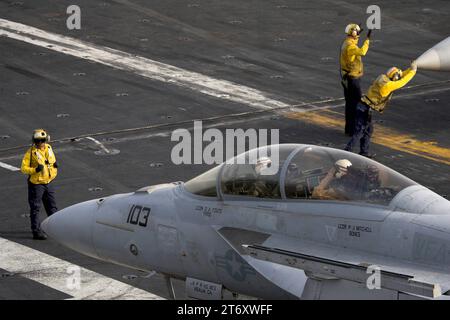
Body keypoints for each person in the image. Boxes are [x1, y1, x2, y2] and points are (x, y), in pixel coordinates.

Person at [345, 61, 417, 157]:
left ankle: (364, 152)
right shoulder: (387, 86)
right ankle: (347, 151)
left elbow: (400, 76)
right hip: (365, 109)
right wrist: (413, 71)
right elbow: (401, 82)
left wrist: (410, 69)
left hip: (364, 107)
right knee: (360, 131)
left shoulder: (383, 77)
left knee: (367, 131)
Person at [21, 129, 59, 240]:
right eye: (38, 141)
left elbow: (51, 160)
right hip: (37, 184)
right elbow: (23, 168)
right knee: (35, 208)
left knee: (52, 206)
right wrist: (35, 170)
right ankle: (36, 231)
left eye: (42, 140)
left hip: (49, 182)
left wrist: (55, 165)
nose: (40, 143)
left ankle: (55, 227)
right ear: (34, 141)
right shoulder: (30, 153)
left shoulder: (49, 148)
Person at [340, 23, 371, 136]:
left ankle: (349, 129)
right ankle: (355, 130)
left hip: (347, 78)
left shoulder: (347, 42)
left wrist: (357, 35)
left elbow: (354, 44)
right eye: (356, 32)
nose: (358, 33)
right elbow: (362, 51)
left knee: (349, 104)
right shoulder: (351, 46)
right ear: (352, 33)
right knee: (357, 104)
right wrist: (367, 40)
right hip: (353, 79)